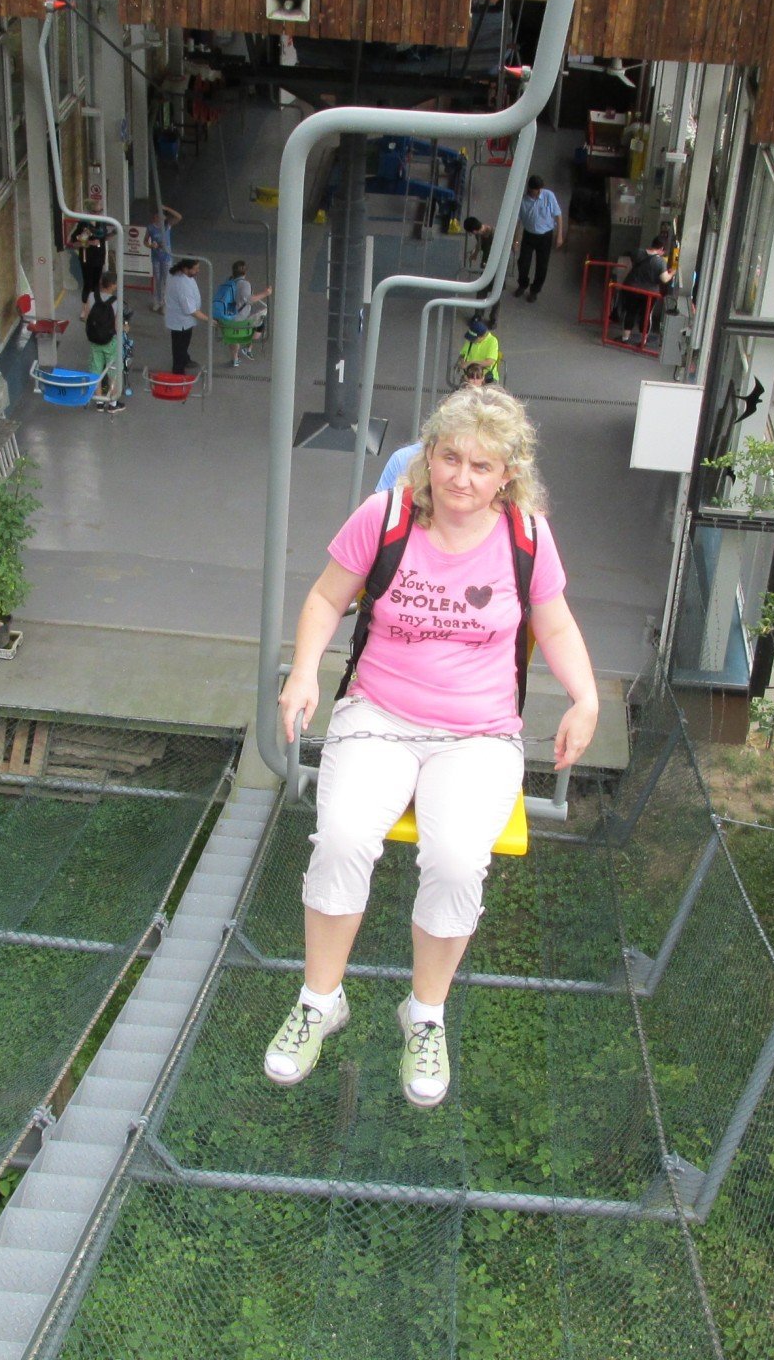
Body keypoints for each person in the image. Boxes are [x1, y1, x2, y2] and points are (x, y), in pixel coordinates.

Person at [270, 387, 599, 1109]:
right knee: (343, 838)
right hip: (380, 714)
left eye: (481, 467)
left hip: (476, 734)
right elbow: (328, 598)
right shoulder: (384, 519)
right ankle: (319, 1000)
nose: (460, 478)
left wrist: (586, 697)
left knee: (454, 861)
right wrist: (303, 673)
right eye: (448, 458)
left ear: (506, 474)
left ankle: (424, 1015)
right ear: (427, 456)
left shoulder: (527, 539)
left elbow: (557, 625)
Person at [375, 372, 492, 492]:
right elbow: (380, 506)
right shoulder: (403, 459)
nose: (461, 482)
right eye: (450, 459)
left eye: (479, 467)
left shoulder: (491, 458)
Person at [514, 174, 564, 302]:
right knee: (523, 262)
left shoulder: (548, 196)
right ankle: (523, 283)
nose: (539, 192)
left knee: (542, 265)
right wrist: (516, 240)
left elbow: (558, 215)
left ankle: (535, 290)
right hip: (529, 235)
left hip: (545, 236)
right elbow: (518, 222)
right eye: (536, 190)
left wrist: (559, 235)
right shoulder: (523, 200)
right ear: (531, 189)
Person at [81, 272, 126, 412]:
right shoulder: (116, 302)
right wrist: (126, 328)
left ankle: (99, 402)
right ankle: (112, 404)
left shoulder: (91, 296)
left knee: (96, 370)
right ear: (112, 285)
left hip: (95, 340)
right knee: (113, 371)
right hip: (110, 341)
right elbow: (118, 326)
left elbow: (86, 317)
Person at [616, 234, 669, 345]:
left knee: (631, 311)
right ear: (661, 249)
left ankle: (625, 338)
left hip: (632, 288)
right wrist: (673, 272)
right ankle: (643, 341)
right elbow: (664, 279)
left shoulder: (637, 252)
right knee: (646, 315)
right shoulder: (660, 262)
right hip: (649, 292)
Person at [214, 259, 269, 364]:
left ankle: (235, 359)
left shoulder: (227, 282)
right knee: (261, 319)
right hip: (240, 318)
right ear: (245, 272)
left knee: (233, 337)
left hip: (226, 317)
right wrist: (265, 293)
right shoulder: (245, 284)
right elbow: (249, 299)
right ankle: (248, 347)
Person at [161, 256, 206, 374]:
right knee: (180, 346)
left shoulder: (176, 273)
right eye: (195, 269)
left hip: (180, 319)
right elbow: (190, 310)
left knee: (182, 344)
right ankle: (178, 370)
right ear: (186, 269)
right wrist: (209, 320)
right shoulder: (182, 284)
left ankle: (185, 359)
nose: (198, 271)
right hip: (181, 321)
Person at [144, 203, 183, 311]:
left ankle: (165, 303)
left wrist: (166, 208)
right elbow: (145, 241)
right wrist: (151, 245)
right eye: (158, 216)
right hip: (156, 257)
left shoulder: (167, 225)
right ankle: (157, 301)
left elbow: (179, 217)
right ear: (155, 217)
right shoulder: (150, 228)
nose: (159, 218)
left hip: (167, 257)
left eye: (162, 216)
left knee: (167, 280)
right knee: (157, 280)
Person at [458, 314, 502, 384]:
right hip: (470, 373)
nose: (471, 340)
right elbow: (462, 354)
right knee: (462, 389)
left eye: (473, 339)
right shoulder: (470, 340)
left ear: (482, 337)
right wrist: (461, 361)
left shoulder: (492, 341)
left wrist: (470, 363)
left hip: (486, 375)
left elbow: (489, 362)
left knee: (483, 391)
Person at [69, 221, 108, 298]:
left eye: (100, 211)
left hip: (99, 258)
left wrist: (113, 233)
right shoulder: (83, 224)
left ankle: (95, 303)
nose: (97, 214)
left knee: (96, 284)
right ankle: (86, 304)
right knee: (88, 284)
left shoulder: (102, 223)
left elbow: (104, 238)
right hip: (87, 260)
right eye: (95, 212)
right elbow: (74, 242)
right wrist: (90, 242)